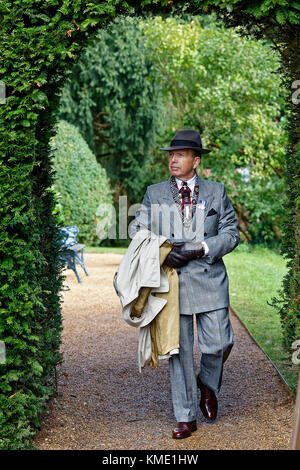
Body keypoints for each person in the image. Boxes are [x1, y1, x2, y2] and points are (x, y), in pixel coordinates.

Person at [129, 129, 240, 439]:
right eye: (170, 155)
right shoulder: (155, 193)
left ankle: (207, 383)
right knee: (179, 351)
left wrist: (202, 248)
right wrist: (164, 252)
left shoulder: (217, 192)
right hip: (172, 282)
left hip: (209, 279)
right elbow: (138, 231)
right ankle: (185, 416)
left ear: (196, 160)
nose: (173, 159)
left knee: (220, 343)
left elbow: (232, 235)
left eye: (180, 154)